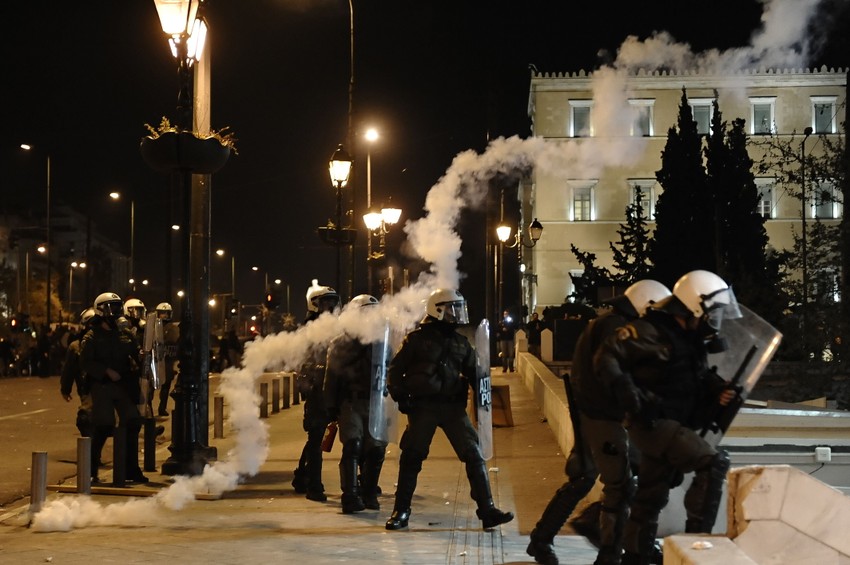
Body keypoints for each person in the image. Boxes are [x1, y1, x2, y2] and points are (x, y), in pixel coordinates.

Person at [595, 271, 740, 565]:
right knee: (713, 464)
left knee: (650, 494)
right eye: (712, 311)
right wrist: (627, 392)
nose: (714, 319)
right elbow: (606, 355)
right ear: (695, 305)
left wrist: (717, 390)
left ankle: (637, 555)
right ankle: (694, 547)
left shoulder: (688, 336)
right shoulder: (650, 330)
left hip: (667, 421)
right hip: (655, 421)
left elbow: (692, 375)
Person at [527, 280, 671, 565]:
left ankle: (543, 540)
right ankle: (611, 552)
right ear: (647, 305)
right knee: (620, 485)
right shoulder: (616, 327)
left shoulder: (610, 323)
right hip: (604, 416)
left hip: (595, 413)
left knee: (585, 477)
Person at [385, 288, 514, 531]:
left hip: (453, 408)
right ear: (438, 309)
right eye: (452, 308)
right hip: (423, 407)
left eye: (459, 308)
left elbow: (476, 372)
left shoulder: (460, 343)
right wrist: (400, 397)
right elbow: (394, 370)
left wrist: (483, 392)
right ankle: (401, 511)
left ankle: (487, 511)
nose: (457, 313)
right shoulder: (416, 340)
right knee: (412, 457)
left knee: (474, 454)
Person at [323, 294, 388, 513]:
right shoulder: (341, 342)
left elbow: (389, 369)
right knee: (353, 446)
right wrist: (330, 405)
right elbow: (331, 377)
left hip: (376, 402)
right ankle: (349, 495)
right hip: (350, 402)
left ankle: (369, 492)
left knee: (376, 449)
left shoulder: (382, 341)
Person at [80, 292, 149, 484]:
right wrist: (106, 371)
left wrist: (142, 356)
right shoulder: (91, 337)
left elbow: (135, 352)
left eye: (118, 307)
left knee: (132, 423)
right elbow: (85, 363)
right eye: (111, 308)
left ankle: (131, 470)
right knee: (102, 425)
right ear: (100, 311)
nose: (116, 312)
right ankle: (91, 471)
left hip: (123, 384)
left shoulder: (124, 334)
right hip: (102, 385)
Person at [292, 281, 340, 502]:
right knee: (316, 435)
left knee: (321, 435)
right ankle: (314, 485)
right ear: (314, 305)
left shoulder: (337, 325)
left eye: (333, 302)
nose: (330, 307)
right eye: (325, 303)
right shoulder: (309, 327)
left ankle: (302, 475)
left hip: (334, 384)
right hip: (317, 387)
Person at [60, 307, 98, 438]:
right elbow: (68, 370)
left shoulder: (106, 341)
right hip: (87, 389)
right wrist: (65, 389)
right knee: (86, 419)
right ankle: (91, 454)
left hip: (107, 386)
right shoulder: (76, 346)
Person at [156, 302, 178, 417]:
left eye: (166, 313)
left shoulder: (174, 328)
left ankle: (162, 407)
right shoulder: (154, 326)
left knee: (166, 386)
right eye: (162, 313)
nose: (164, 315)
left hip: (168, 361)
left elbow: (176, 343)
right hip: (155, 360)